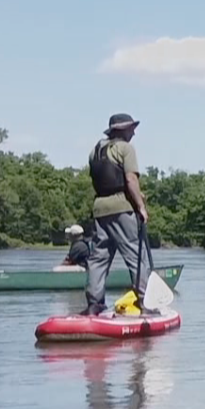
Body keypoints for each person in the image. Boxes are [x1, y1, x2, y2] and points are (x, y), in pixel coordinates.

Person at [83, 113, 154, 316]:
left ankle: (94, 304)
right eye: (132, 128)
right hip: (121, 208)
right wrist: (140, 206)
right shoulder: (126, 148)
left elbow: (105, 180)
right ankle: (145, 303)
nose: (134, 131)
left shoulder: (95, 151)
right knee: (134, 254)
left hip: (99, 208)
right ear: (123, 130)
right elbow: (130, 179)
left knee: (99, 257)